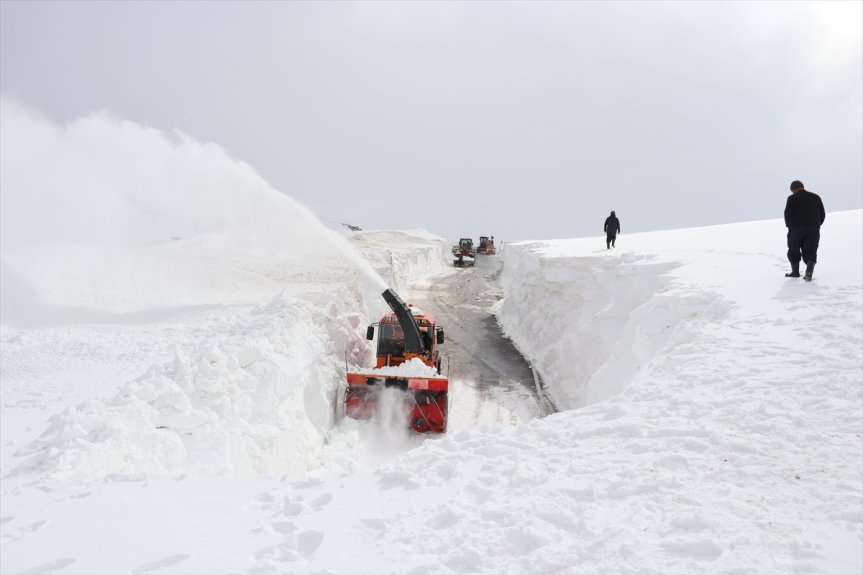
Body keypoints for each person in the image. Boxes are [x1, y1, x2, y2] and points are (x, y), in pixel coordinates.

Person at [784, 180, 825, 281]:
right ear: (802, 186)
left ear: (793, 190)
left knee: (793, 249)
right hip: (813, 228)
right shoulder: (815, 197)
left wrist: (790, 226)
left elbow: (787, 214)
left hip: (796, 229)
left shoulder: (791, 198)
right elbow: (822, 213)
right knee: (811, 249)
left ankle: (795, 272)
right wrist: (817, 224)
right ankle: (809, 273)